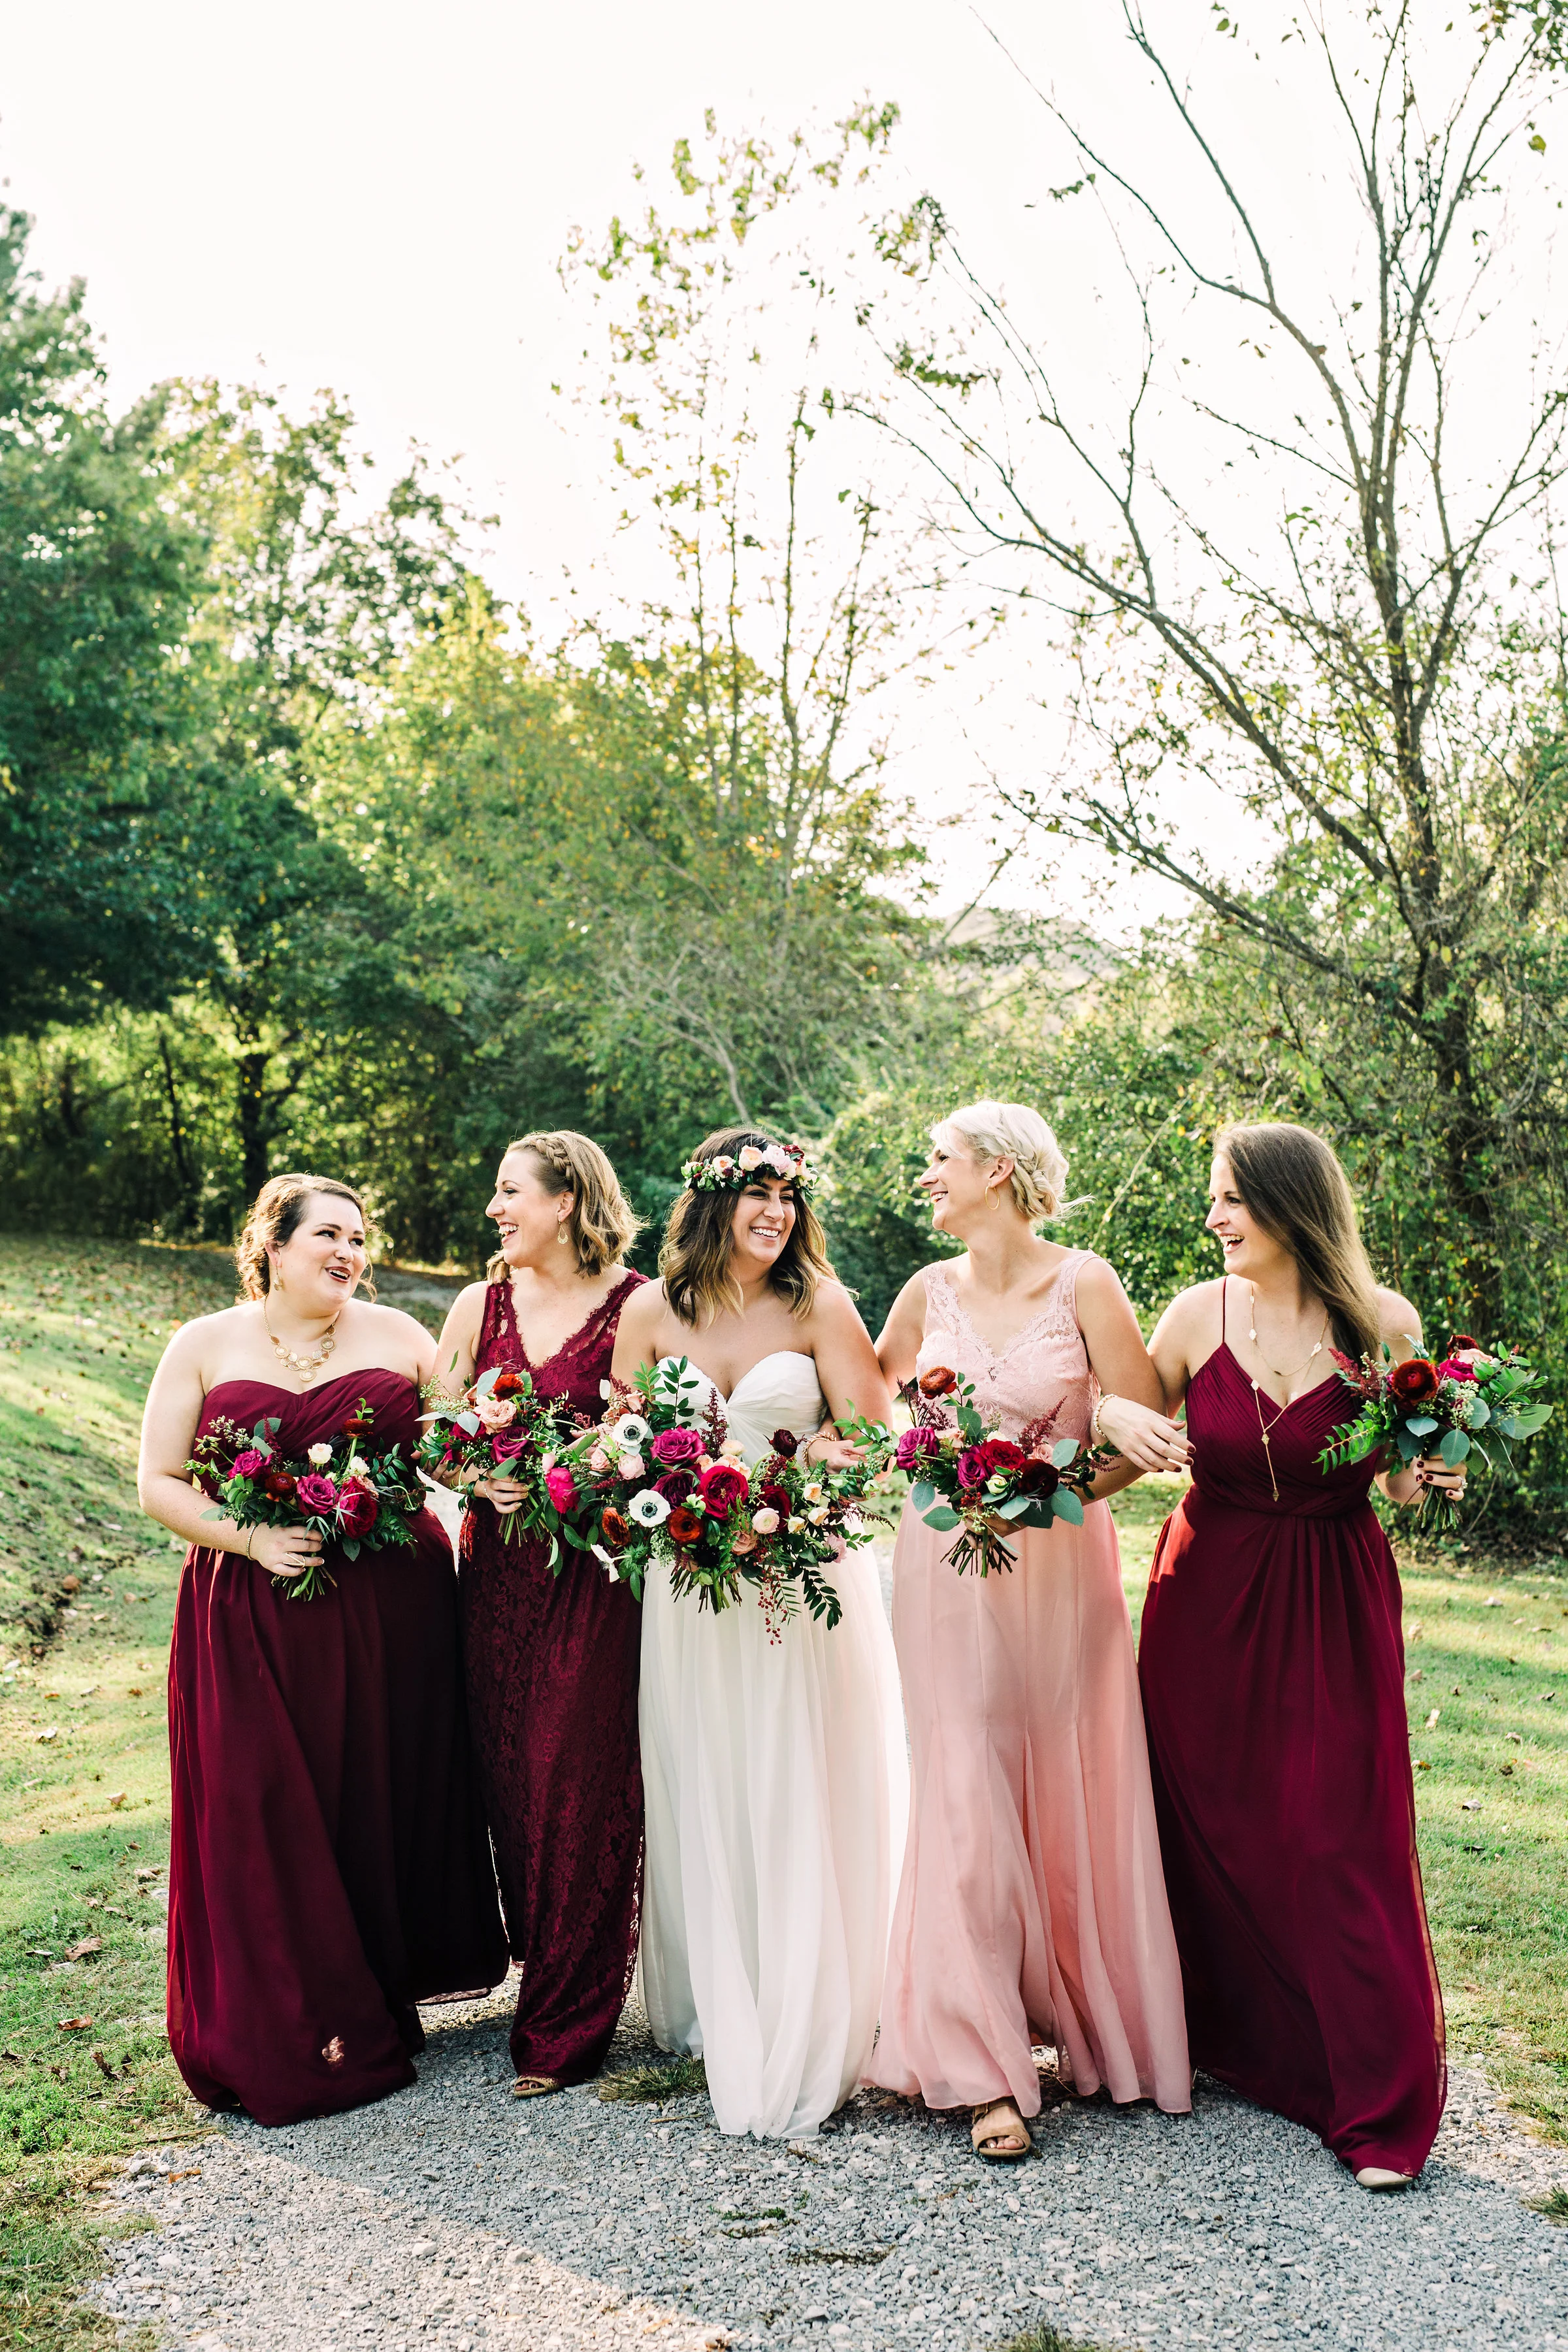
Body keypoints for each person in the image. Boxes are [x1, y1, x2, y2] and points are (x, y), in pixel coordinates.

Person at [1097, 1120, 1457, 2188]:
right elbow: (1128, 1444)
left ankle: (1379, 2100)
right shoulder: (1194, 1313)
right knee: (1210, 1819)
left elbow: (1401, 1481)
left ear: (1290, 1206)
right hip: (1201, 1597)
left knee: (1337, 1833)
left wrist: (1437, 1470)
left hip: (1332, 1598)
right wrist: (1105, 1418)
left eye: (1230, 1202)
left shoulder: (1381, 1322)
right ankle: (1247, 2042)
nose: (1212, 1220)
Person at [139, 1173, 506, 2127]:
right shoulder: (204, 1344)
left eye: (359, 1238)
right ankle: (293, 2017)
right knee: (261, 1797)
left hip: (395, 1610)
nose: (350, 1252)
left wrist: (502, 1464)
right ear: (273, 1242)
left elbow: (446, 1451)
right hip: (250, 1609)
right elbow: (158, 1481)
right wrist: (251, 1536)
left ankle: (380, 1987)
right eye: (329, 1236)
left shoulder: (399, 1337)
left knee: (375, 1787)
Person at [868, 1102, 1191, 2161]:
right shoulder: (924, 1292)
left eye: (940, 1159)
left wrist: (1049, 1493)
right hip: (945, 1570)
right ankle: (983, 2069)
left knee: (1065, 1779)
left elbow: (1145, 1435)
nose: (929, 1176)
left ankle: (1079, 2017)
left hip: (1058, 1567)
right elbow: (872, 1404)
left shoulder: (1085, 1281)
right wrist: (926, 1469)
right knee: (962, 1781)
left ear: (998, 1172)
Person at [612, 1128, 907, 2140]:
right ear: (710, 1204)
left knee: (793, 1770)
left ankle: (806, 1990)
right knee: (706, 1765)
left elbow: (874, 1432)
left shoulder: (822, 1304)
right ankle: (714, 1987)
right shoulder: (651, 1311)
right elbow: (623, 1440)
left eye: (788, 1196)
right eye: (756, 1194)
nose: (775, 1212)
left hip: (795, 1577)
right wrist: (651, 1475)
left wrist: (803, 1477)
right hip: (690, 1585)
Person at [435, 1130, 645, 2097]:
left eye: (510, 1191)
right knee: (513, 1780)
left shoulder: (635, 1306)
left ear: (566, 1202)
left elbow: (650, 1435)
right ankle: (544, 1968)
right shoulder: (479, 1306)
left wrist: (579, 1471)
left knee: (577, 1776)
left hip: (592, 1576)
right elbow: (434, 1439)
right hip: (496, 1578)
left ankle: (565, 2023)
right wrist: (480, 1470)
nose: (495, 1209)